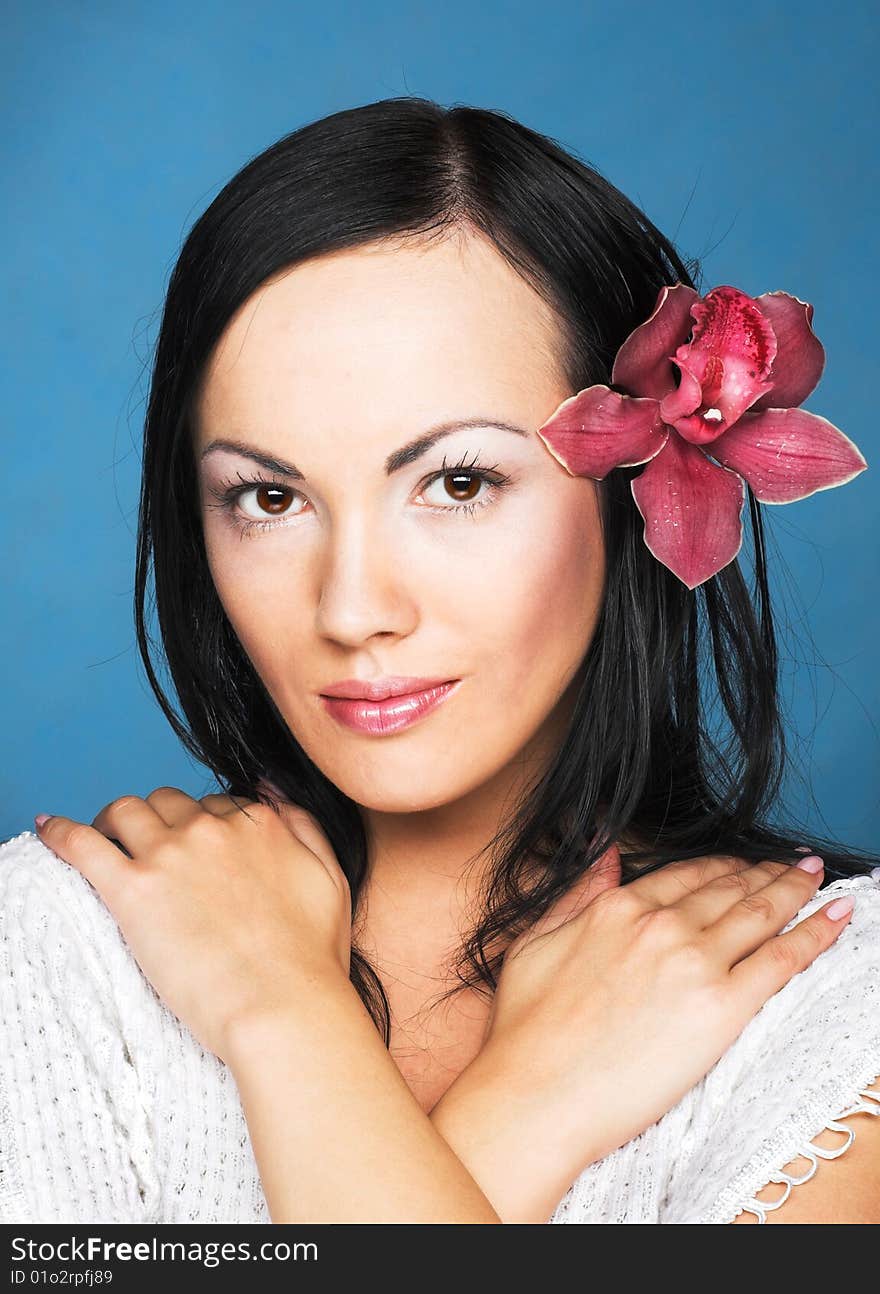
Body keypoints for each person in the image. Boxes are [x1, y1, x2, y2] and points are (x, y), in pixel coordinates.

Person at [2, 96, 878, 1226]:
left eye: (458, 482)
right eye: (268, 497)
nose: (353, 607)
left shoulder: (829, 1006)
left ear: (630, 496)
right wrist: (514, 1103)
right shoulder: (45, 952)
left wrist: (288, 1021)